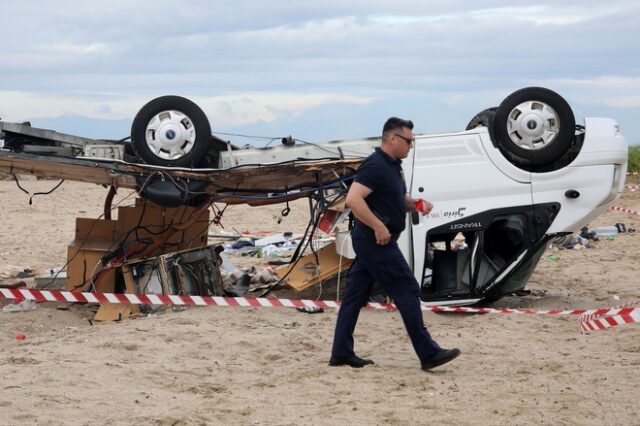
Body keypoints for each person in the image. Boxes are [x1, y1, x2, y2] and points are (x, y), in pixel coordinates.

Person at [329, 117, 460, 371]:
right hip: (375, 241)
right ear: (392, 138)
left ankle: (341, 353)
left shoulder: (393, 166)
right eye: (409, 141)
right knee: (407, 289)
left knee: (354, 297)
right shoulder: (375, 165)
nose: (411, 146)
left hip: (374, 240)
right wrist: (378, 226)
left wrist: (417, 204)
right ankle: (428, 353)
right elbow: (354, 200)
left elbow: (394, 198)